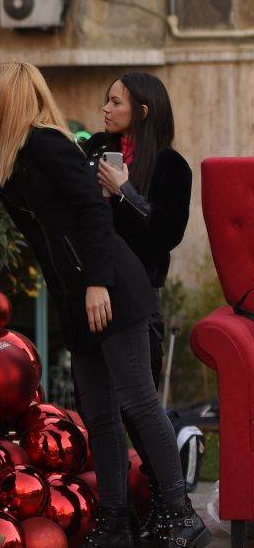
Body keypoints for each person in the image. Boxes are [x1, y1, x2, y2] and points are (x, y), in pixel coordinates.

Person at [0, 60, 208, 548]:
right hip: (77, 295)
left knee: (137, 399)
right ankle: (114, 527)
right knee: (101, 413)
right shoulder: (16, 153)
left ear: (15, 97)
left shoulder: (47, 143)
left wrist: (97, 283)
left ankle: (180, 515)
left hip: (112, 289)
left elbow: (92, 209)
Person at [84, 73, 191, 387]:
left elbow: (165, 236)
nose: (105, 108)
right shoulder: (95, 150)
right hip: (93, 291)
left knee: (139, 404)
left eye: (116, 102)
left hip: (139, 298)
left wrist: (124, 191)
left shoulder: (170, 165)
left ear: (143, 112)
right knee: (97, 403)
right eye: (107, 100)